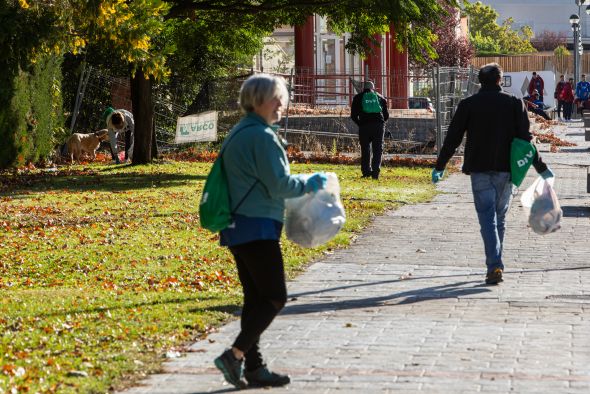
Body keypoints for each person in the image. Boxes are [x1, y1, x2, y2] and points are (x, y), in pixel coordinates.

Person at [213, 73, 328, 389]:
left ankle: (255, 367)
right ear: (258, 100)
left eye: (282, 98)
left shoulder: (241, 131)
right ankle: (235, 355)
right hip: (257, 225)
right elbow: (279, 184)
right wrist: (309, 183)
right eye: (276, 98)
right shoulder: (262, 136)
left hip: (239, 225)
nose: (282, 104)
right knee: (275, 296)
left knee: (255, 299)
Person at [431, 63, 554, 285]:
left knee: (487, 218)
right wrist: (541, 168)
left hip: (479, 169)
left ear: (480, 81)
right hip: (506, 170)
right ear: (500, 80)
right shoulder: (514, 103)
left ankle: (494, 265)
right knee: (499, 218)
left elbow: (453, 137)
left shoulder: (468, 104)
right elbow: (526, 140)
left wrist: (440, 166)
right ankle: (496, 263)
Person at [350, 80, 389, 179]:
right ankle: (375, 173)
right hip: (378, 126)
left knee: (365, 149)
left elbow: (353, 116)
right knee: (377, 149)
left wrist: (361, 124)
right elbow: (386, 115)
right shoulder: (380, 97)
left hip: (364, 126)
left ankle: (366, 172)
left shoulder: (358, 97)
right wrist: (381, 124)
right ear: (373, 88)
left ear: (363, 88)